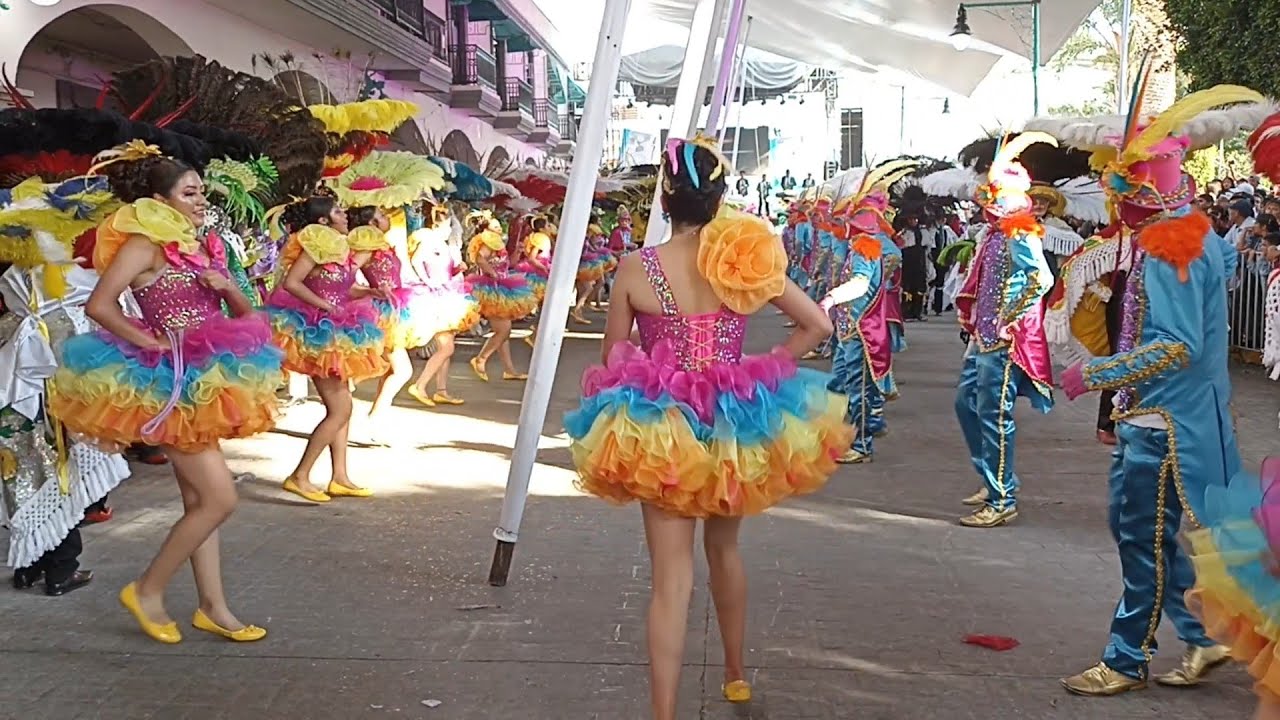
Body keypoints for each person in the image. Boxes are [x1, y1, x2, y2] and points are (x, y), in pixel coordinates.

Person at [564, 136, 851, 720]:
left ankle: (664, 713)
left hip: (658, 429)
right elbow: (817, 324)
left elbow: (613, 355)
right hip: (734, 423)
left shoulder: (632, 269)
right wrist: (767, 366)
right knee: (725, 550)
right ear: (720, 199)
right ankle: (736, 674)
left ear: (664, 199)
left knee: (670, 579)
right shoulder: (741, 260)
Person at [1056, 82, 1262, 696]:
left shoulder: (1170, 245)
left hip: (1163, 422)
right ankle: (1201, 638)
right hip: (1176, 415)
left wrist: (1091, 374)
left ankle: (1126, 658)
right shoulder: (1189, 236)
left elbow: (1176, 345)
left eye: (1121, 184)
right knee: (1143, 532)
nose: (1113, 198)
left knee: (1140, 537)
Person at [50, 149, 282, 642]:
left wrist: (226, 285)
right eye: (189, 192)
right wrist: (148, 340)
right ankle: (148, 589)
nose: (201, 201)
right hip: (168, 385)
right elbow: (100, 305)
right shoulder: (143, 245)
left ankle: (213, 607)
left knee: (201, 499)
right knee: (220, 498)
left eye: (202, 192)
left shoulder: (204, 247)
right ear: (159, 200)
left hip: (209, 377)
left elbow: (244, 313)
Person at [953, 133, 1056, 528]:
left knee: (995, 416)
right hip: (984, 339)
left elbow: (1040, 279)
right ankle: (993, 477)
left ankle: (1002, 497)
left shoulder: (1019, 232)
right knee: (966, 404)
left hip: (1005, 343)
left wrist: (1008, 318)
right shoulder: (994, 234)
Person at [268, 196, 390, 502]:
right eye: (337, 211)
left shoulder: (340, 247)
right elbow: (292, 283)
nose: (344, 215)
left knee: (343, 407)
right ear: (323, 221)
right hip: (318, 333)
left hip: (338, 331)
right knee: (341, 409)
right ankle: (299, 476)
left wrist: (369, 290)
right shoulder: (313, 244)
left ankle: (340, 477)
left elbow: (342, 287)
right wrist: (325, 307)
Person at [348, 206, 431, 435]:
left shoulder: (384, 243)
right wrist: (367, 290)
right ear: (372, 224)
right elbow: (346, 273)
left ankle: (376, 417)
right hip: (379, 312)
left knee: (394, 369)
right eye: (382, 216)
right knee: (401, 370)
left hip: (394, 307)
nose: (387, 218)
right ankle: (374, 418)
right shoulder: (368, 246)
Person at [406, 202, 479, 406]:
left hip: (447, 294)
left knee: (447, 346)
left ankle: (441, 390)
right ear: (441, 225)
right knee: (446, 348)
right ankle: (420, 385)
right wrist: (428, 281)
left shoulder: (442, 244)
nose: (450, 231)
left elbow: (445, 270)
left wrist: (458, 270)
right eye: (449, 227)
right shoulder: (431, 240)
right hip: (437, 298)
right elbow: (417, 260)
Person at [464, 212, 537, 381]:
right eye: (495, 226)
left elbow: (509, 264)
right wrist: (492, 273)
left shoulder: (497, 243)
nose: (499, 229)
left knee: (503, 332)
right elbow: (480, 259)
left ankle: (509, 370)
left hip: (502, 286)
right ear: (487, 228)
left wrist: (517, 252)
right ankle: (480, 359)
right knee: (504, 330)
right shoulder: (486, 241)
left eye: (499, 226)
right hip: (492, 290)